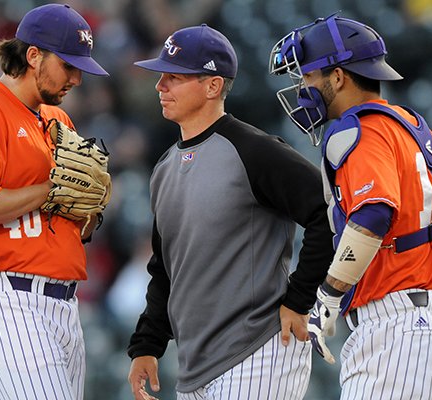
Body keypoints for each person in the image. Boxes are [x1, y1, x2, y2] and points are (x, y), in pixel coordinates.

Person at [126, 24, 334, 400]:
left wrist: (299, 299)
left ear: (213, 86)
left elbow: (328, 213)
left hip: (261, 349)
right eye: (161, 77)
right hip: (194, 363)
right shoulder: (164, 168)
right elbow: (165, 267)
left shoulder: (254, 150)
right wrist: (148, 343)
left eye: (174, 77)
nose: (161, 86)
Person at [269, 14, 432, 399]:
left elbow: (373, 214)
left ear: (338, 77)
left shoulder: (357, 129)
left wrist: (327, 294)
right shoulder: (417, 129)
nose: (304, 89)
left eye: (308, 77)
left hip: (395, 329)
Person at [0, 4, 109, 399]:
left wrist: (92, 207)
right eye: (68, 65)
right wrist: (51, 187)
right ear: (32, 55)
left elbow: (76, 217)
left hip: (65, 304)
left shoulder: (59, 120)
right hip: (9, 301)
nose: (76, 78)